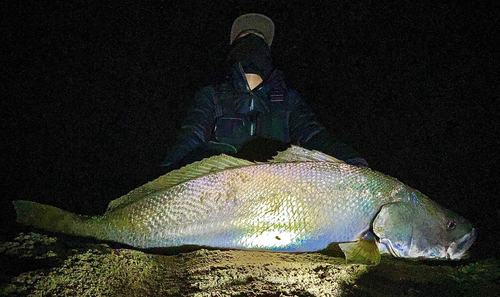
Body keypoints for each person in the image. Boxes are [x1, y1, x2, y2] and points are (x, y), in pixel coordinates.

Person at [162, 13, 368, 168]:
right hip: (223, 194)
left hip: (275, 197)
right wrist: (164, 175)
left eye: (259, 38)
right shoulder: (211, 96)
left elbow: (314, 135)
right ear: (235, 49)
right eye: (245, 37)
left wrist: (352, 161)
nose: (252, 43)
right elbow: (189, 139)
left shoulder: (288, 100)